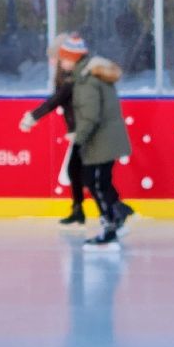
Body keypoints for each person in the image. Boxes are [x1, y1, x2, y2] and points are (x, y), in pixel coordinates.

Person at [54, 34, 134, 248]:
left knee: (96, 182)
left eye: (64, 58)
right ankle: (117, 217)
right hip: (104, 139)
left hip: (101, 140)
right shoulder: (87, 75)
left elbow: (90, 116)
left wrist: (78, 140)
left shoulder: (87, 80)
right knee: (98, 181)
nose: (61, 63)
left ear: (72, 59)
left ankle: (111, 227)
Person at [19, 34, 91, 226]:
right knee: (75, 172)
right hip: (78, 130)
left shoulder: (73, 77)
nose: (52, 61)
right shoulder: (64, 75)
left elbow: (56, 100)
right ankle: (78, 209)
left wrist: (33, 116)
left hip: (85, 130)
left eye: (55, 57)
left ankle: (113, 208)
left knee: (84, 173)